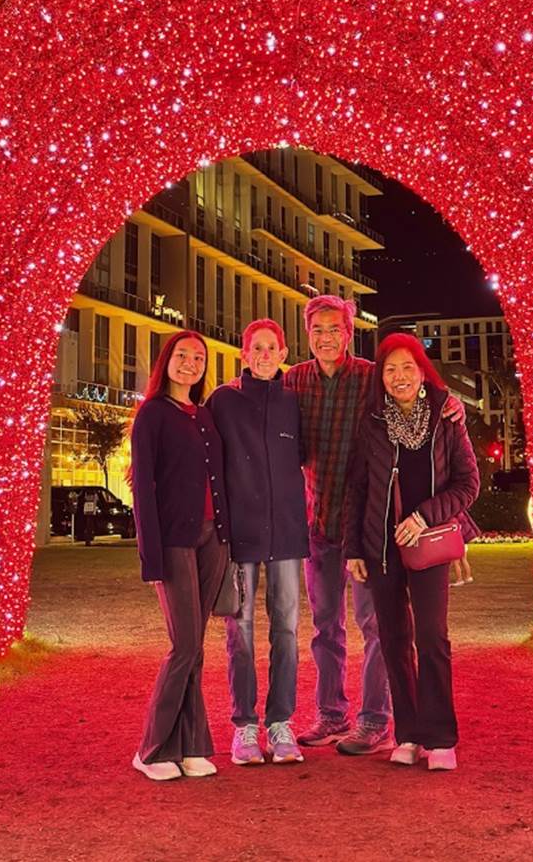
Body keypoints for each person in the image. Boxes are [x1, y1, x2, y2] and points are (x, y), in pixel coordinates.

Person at [345, 332, 479, 772]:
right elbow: (357, 489)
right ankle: (408, 734)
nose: (399, 376)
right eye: (390, 370)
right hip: (380, 547)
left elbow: (468, 484)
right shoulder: (371, 423)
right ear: (380, 378)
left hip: (428, 543)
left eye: (407, 367)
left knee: (432, 637)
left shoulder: (447, 417)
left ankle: (440, 737)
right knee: (394, 640)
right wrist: (354, 549)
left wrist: (424, 516)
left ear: (422, 372)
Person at [284, 295, 391, 754]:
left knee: (374, 624)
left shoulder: (370, 377)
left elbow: (417, 394)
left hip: (364, 527)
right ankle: (330, 713)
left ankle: (374, 719)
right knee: (325, 626)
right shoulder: (295, 381)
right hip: (318, 521)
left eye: (334, 330)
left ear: (349, 333)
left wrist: (451, 409)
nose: (326, 338)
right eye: (317, 331)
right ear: (307, 335)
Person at [130, 331, 229, 782]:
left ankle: (191, 747)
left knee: (196, 650)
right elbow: (144, 491)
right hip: (173, 541)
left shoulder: (205, 416)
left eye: (198, 358)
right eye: (182, 356)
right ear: (166, 361)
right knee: (184, 645)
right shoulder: (151, 415)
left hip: (214, 541)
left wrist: (228, 538)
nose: (190, 363)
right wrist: (150, 558)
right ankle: (152, 749)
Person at [209, 318, 308, 766]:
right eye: (256, 348)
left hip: (287, 532)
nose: (264, 355)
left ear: (283, 354)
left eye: (272, 348)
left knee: (286, 629)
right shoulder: (223, 401)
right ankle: (244, 725)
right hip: (240, 536)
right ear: (244, 354)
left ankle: (280, 721)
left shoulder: (295, 403)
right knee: (241, 632)